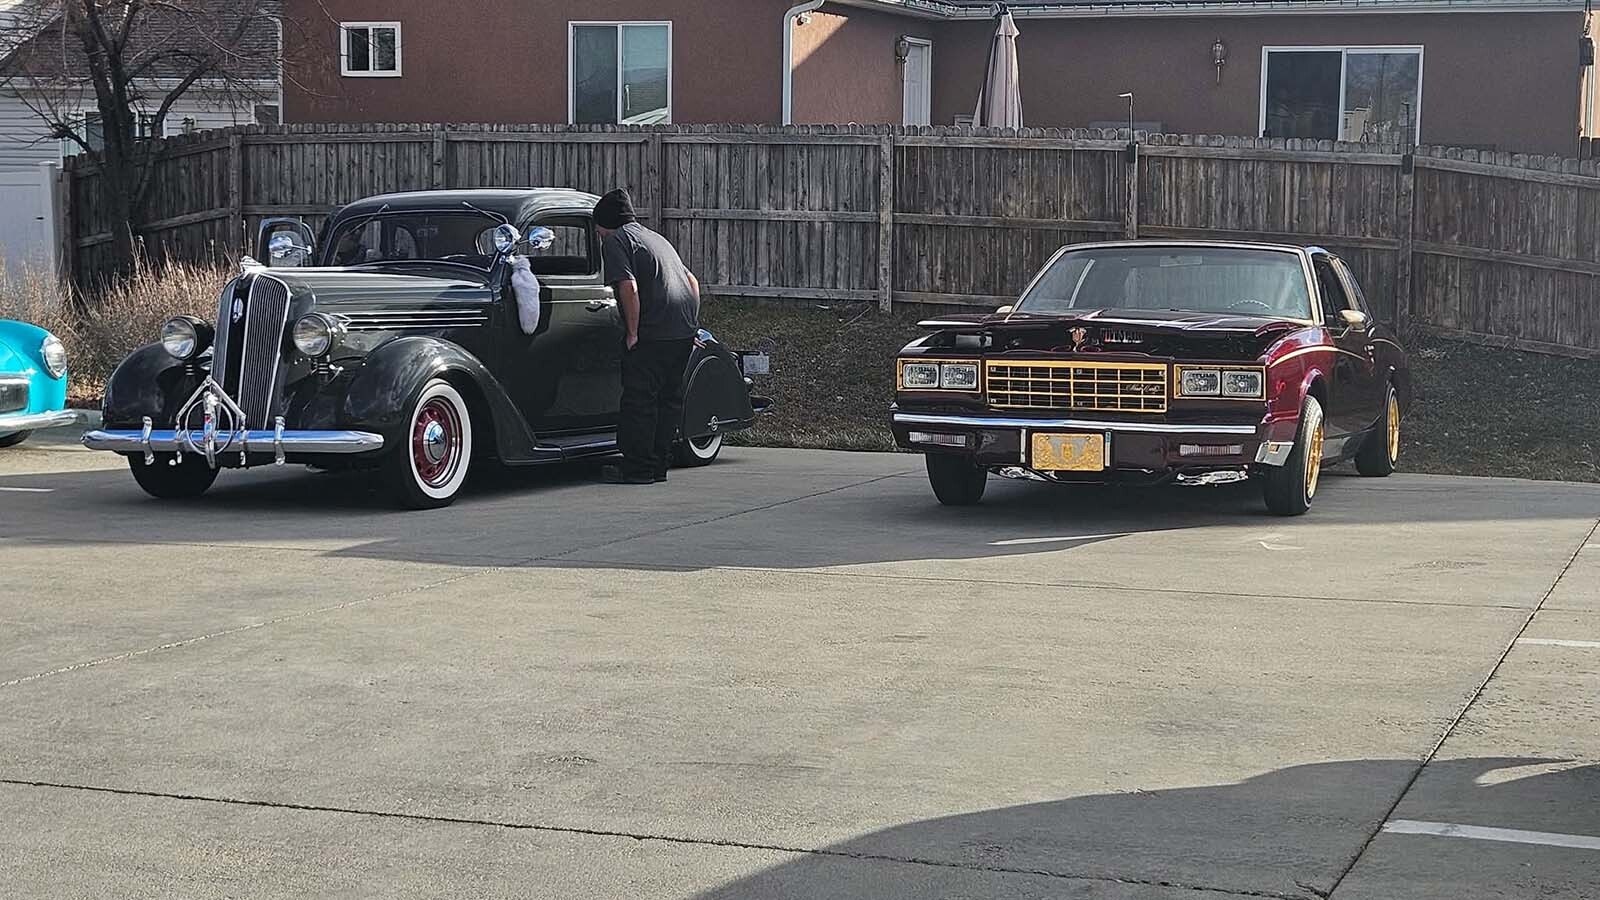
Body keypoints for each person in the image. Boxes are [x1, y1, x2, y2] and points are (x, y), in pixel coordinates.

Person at [593, 188, 701, 485]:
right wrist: (691, 324)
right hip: (681, 331)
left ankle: (637, 468)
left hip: (652, 333)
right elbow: (691, 281)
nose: (599, 235)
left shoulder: (616, 241)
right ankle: (658, 466)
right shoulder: (656, 238)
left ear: (605, 224)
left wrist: (631, 332)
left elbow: (628, 287)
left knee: (640, 400)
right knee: (668, 401)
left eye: (598, 230)